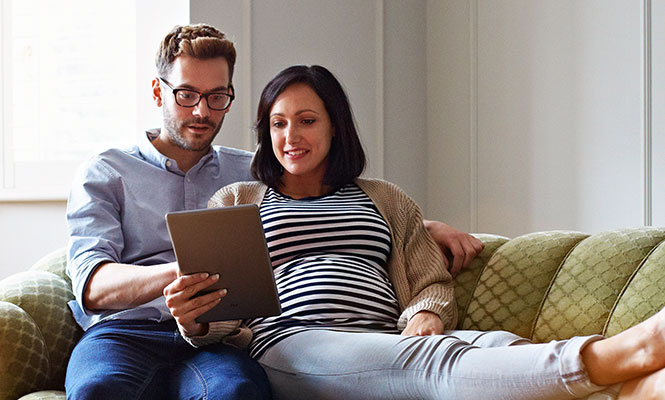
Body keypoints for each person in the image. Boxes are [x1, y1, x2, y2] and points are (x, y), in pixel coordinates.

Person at [164, 64, 665, 400]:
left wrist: (426, 312)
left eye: (306, 120)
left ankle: (636, 388)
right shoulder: (236, 202)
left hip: (387, 337)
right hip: (291, 344)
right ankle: (629, 349)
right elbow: (224, 315)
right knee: (427, 365)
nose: (290, 137)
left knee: (492, 344)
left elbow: (427, 279)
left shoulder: (385, 197)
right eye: (277, 124)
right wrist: (196, 321)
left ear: (334, 126)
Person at [65, 24, 482, 399]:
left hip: (218, 338)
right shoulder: (107, 171)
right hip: (127, 332)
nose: (202, 112)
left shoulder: (253, 174)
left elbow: (322, 211)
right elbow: (92, 284)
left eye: (217, 97)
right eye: (186, 94)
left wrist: (425, 226)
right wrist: (195, 271)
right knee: (99, 389)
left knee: (238, 390)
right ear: (158, 91)